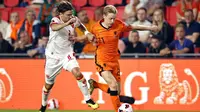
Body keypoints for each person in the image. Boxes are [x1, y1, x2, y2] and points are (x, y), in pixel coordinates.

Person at [72, 5, 158, 112]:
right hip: (102, 60)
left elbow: (133, 27)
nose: (112, 21)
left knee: (116, 91)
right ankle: (117, 110)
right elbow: (87, 35)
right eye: (110, 18)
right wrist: (76, 38)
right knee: (112, 85)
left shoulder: (118, 24)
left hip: (114, 61)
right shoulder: (96, 27)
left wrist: (150, 28)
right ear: (104, 16)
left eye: (114, 18)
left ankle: (95, 84)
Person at [39, 2, 98, 112]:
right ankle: (43, 105)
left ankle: (88, 99)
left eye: (71, 14)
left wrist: (87, 32)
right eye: (68, 15)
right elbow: (55, 27)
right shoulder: (55, 21)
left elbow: (79, 25)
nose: (71, 17)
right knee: (48, 85)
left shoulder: (73, 18)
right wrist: (67, 23)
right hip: (53, 57)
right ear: (60, 14)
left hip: (67, 54)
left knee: (77, 73)